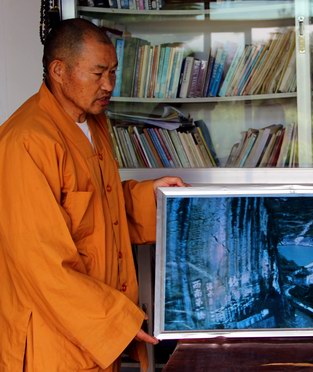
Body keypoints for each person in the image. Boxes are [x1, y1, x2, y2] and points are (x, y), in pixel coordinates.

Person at [0, 18, 187, 371]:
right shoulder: (26, 141)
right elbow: (42, 265)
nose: (108, 85)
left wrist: (158, 198)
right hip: (52, 340)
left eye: (113, 73)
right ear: (58, 71)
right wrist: (117, 322)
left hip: (95, 337)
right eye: (98, 73)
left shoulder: (93, 123)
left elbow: (98, 207)